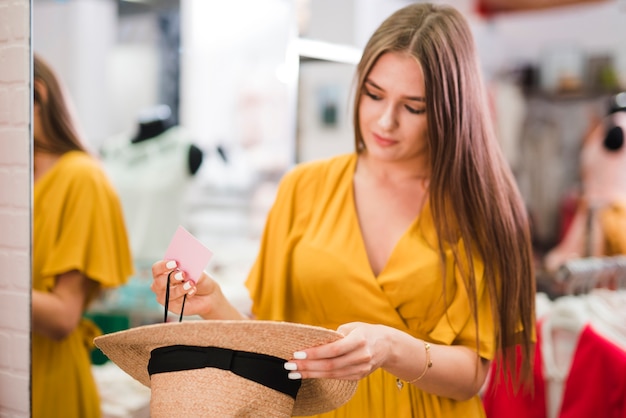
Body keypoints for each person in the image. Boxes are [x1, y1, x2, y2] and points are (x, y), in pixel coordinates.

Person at [150, 3, 536, 417]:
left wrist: (390, 348)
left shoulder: (479, 209)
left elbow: (473, 376)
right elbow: (270, 340)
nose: (385, 121)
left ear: (450, 109)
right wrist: (214, 306)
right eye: (373, 94)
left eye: (413, 107)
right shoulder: (304, 188)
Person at [32, 53, 134, 418]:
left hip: (47, 379)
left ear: (36, 95)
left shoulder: (80, 179)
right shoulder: (17, 181)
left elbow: (62, 317)